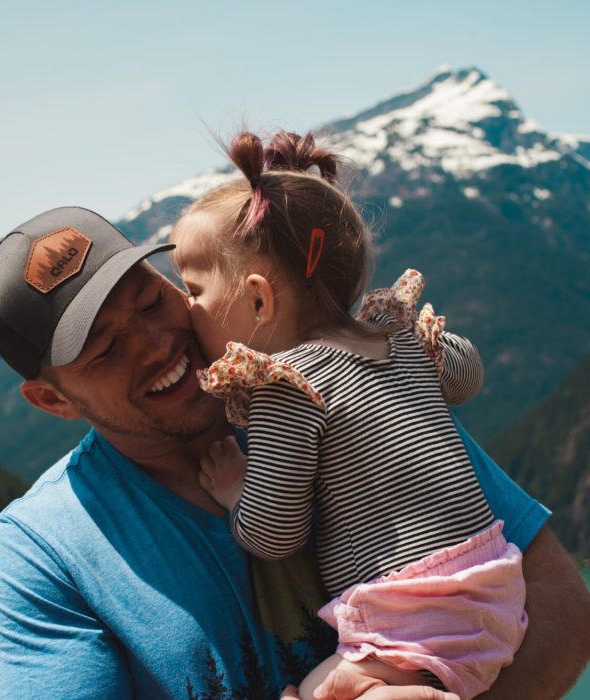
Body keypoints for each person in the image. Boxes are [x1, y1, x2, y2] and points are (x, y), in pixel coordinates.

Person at [0, 205, 590, 699]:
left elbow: (565, 615)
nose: (156, 343)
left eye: (150, 299)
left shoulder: (340, 384)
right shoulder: (40, 554)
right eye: (105, 350)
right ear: (52, 400)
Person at [170, 131, 524, 700]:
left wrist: (238, 492)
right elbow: (467, 376)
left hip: (411, 614)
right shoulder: (396, 337)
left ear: (259, 300)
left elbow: (276, 533)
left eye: (193, 290)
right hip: (497, 585)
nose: (185, 309)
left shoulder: (286, 386)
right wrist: (430, 345)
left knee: (315, 694)